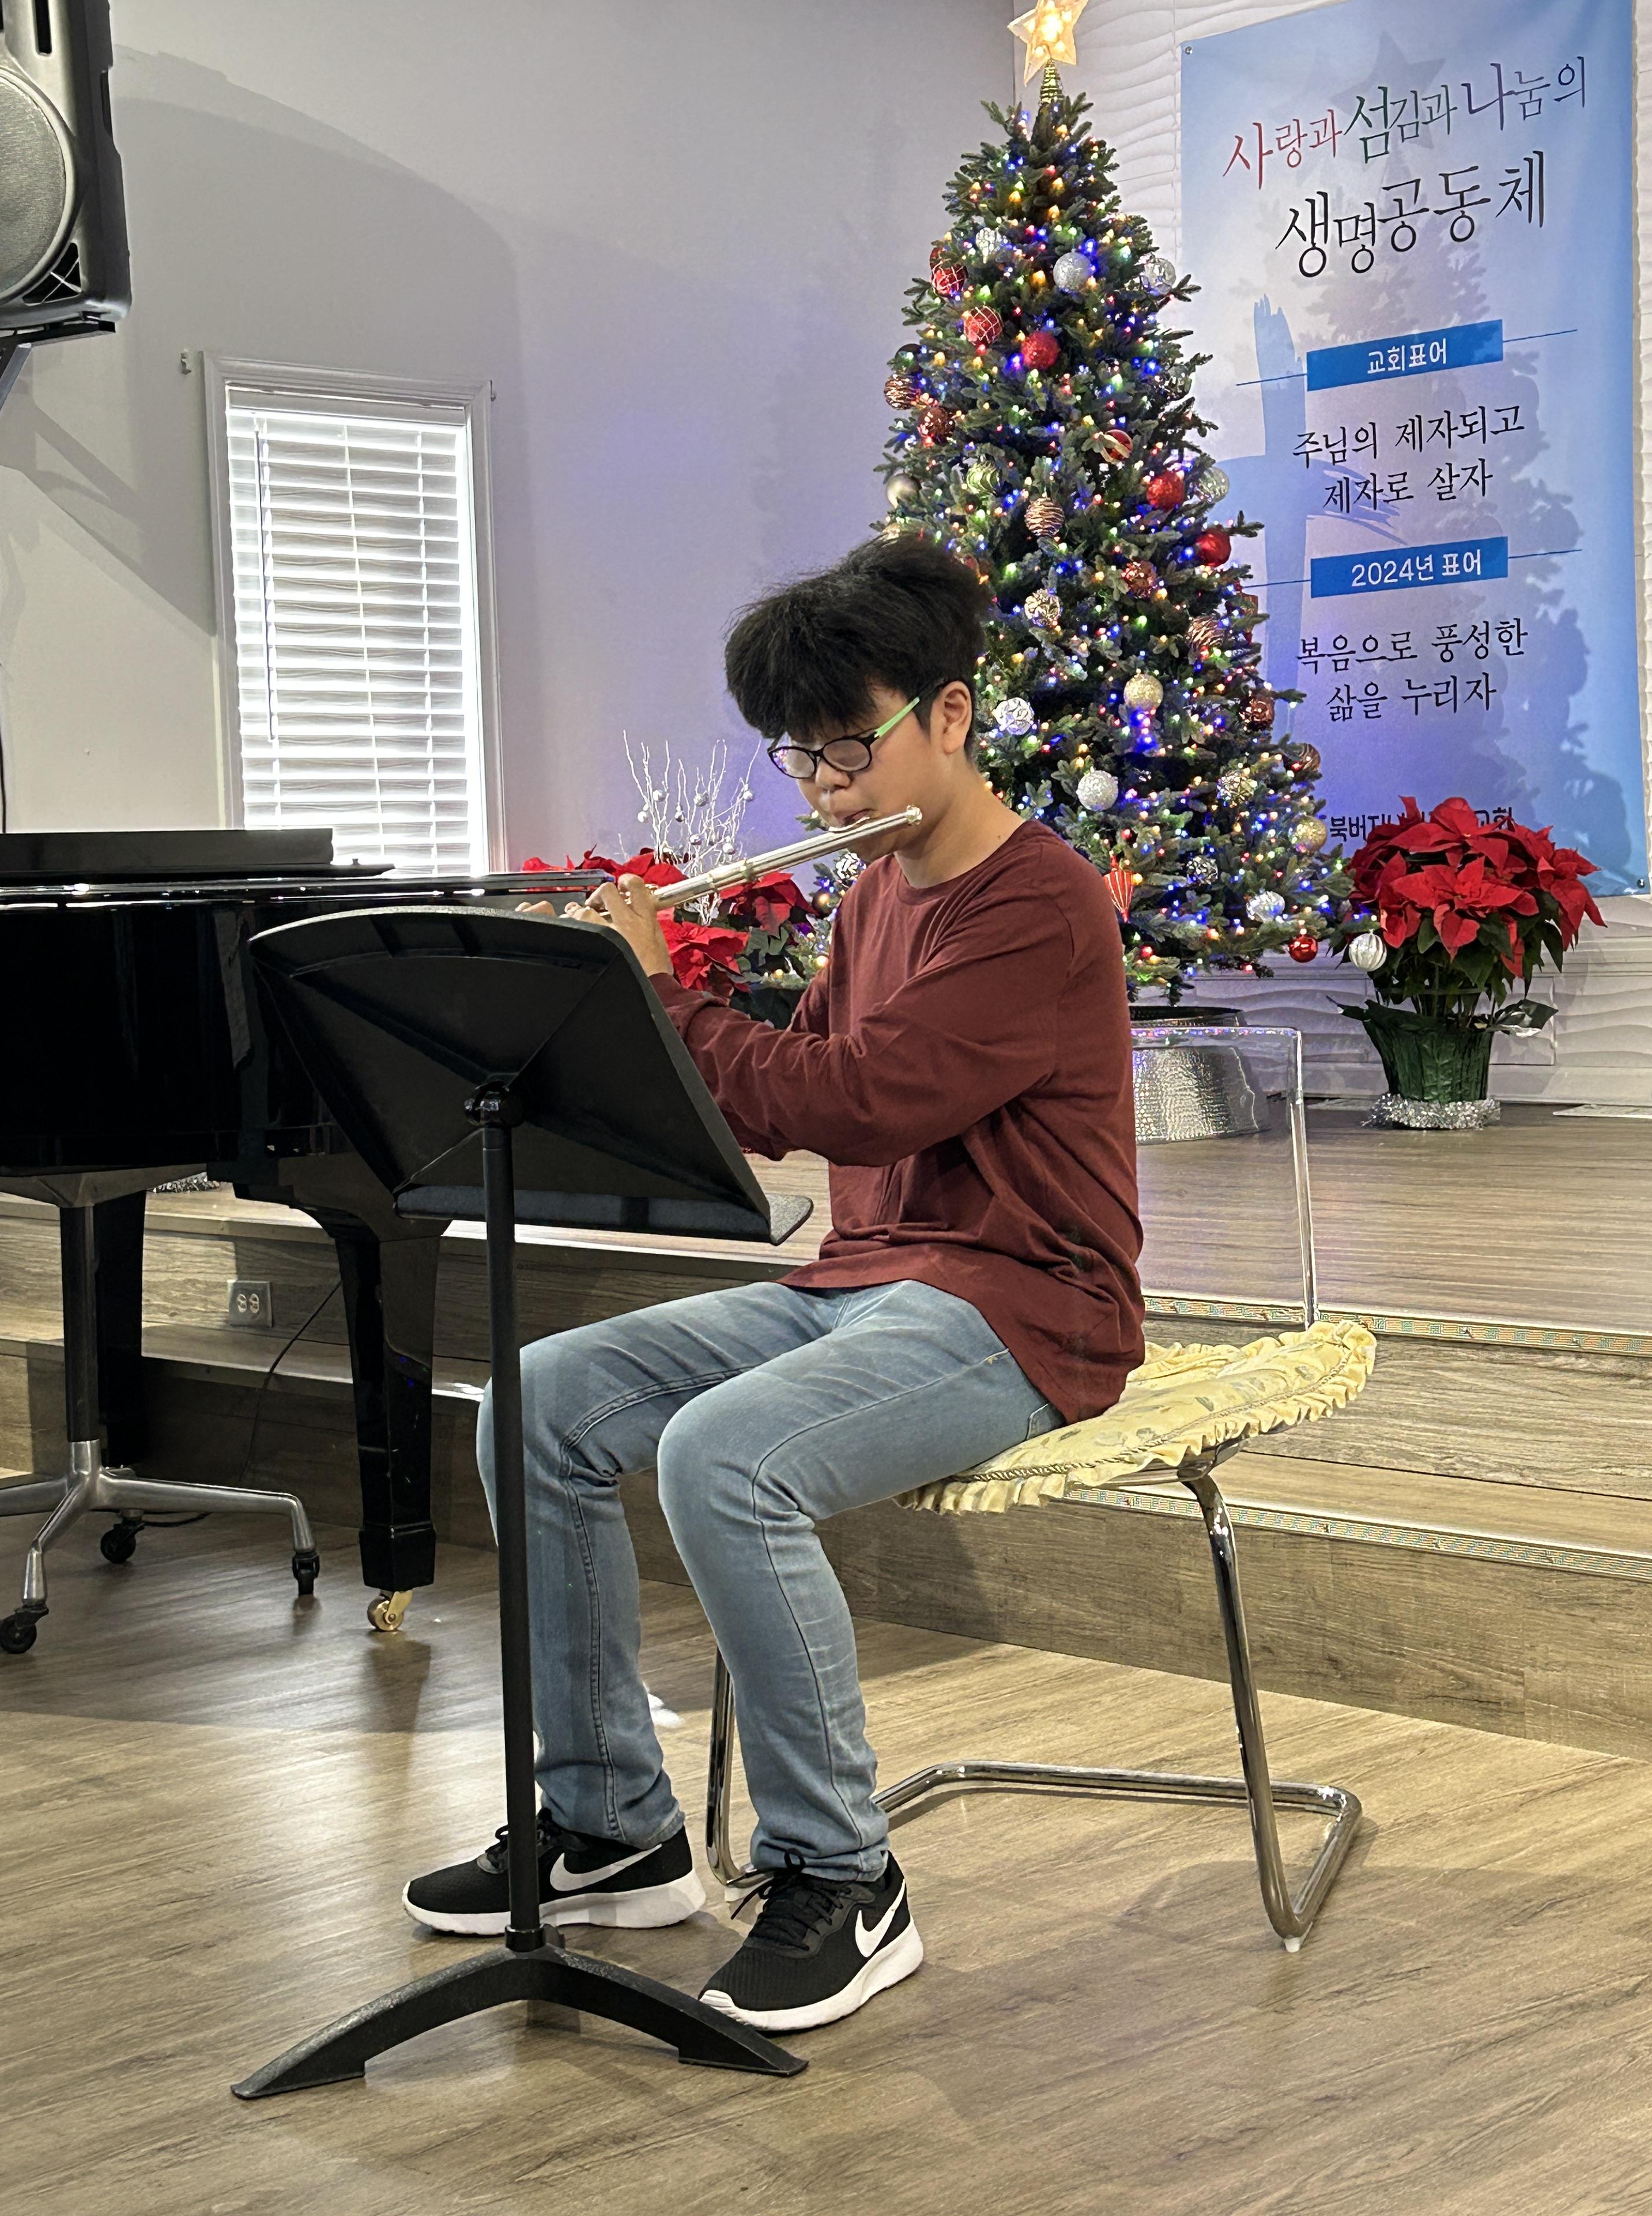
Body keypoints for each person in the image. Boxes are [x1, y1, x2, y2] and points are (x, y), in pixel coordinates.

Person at [404, 537, 1144, 2034]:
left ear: (949, 713)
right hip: (868, 1274)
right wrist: (607, 1012)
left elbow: (859, 1102)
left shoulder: (1039, 902)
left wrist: (661, 995)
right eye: (799, 757)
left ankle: (842, 1874)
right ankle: (613, 1826)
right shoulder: (874, 897)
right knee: (535, 1400)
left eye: (847, 748)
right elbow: (786, 1083)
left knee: (725, 1461)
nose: (826, 790)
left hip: (1027, 1298)